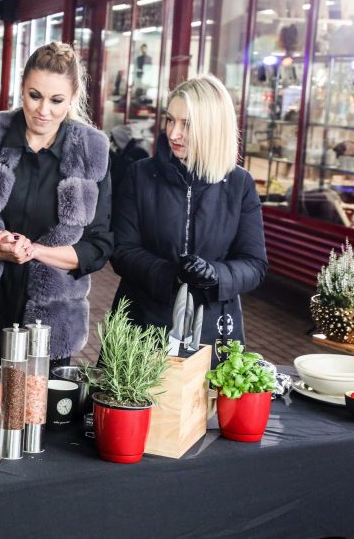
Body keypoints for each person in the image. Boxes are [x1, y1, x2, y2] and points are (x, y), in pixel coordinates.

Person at [0, 42, 112, 384]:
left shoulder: (92, 151)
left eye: (56, 100)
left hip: (49, 325)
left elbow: (99, 246)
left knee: (35, 426)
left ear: (73, 97)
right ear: (21, 89)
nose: (43, 110)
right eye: (34, 95)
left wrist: (33, 252)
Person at [111, 74, 268, 364]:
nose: (173, 133)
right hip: (142, 324)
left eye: (187, 124)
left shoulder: (239, 184)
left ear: (213, 128)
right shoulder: (140, 175)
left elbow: (254, 264)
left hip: (213, 329)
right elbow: (121, 250)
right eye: (170, 120)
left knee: (203, 407)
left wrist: (215, 274)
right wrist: (172, 273)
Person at [109, 124, 149, 192]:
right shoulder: (122, 150)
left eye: (114, 139)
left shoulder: (138, 152)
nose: (114, 143)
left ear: (120, 138)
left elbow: (123, 170)